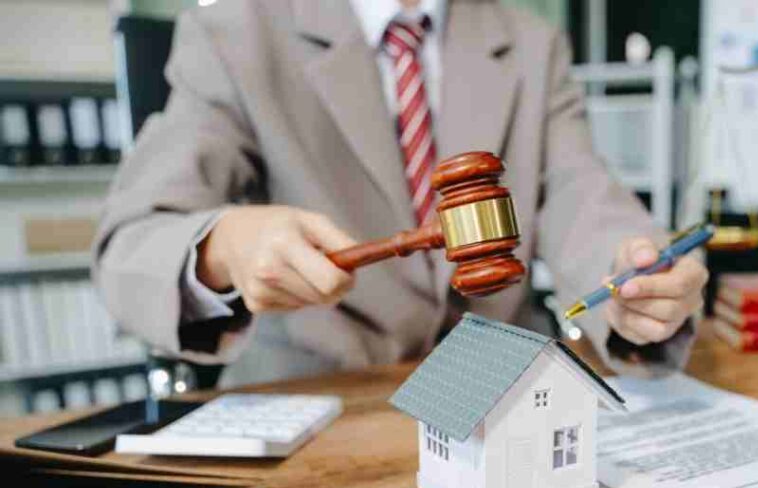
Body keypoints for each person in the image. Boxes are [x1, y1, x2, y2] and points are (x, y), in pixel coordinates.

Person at [93, 0, 708, 387]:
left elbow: (583, 197)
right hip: (326, 395)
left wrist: (635, 276)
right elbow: (131, 244)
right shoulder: (234, 31)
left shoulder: (532, 44)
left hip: (501, 387)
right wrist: (222, 247)